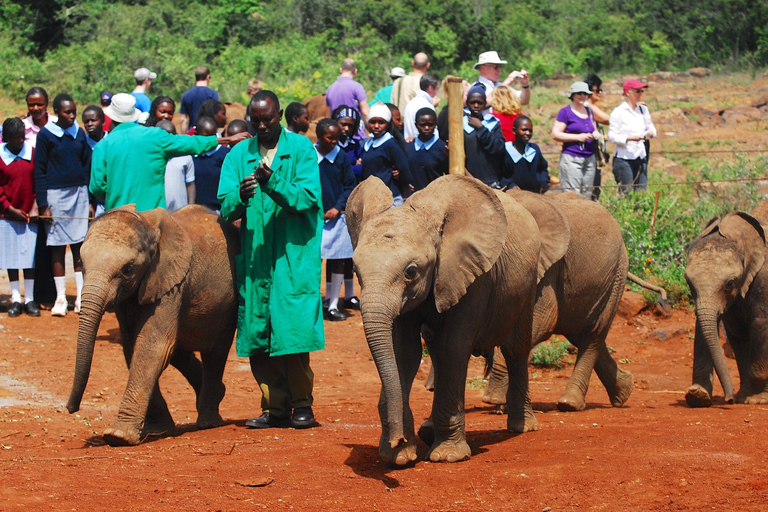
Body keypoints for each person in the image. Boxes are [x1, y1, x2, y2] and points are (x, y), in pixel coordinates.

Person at [217, 90, 324, 430]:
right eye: (256, 120)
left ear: (279, 116)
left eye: (267, 118)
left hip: (293, 255)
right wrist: (240, 195)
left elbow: (307, 199)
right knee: (258, 332)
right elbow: (224, 203)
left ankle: (302, 404)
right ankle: (275, 407)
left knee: (292, 332)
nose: (262, 125)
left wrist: (271, 181)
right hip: (256, 256)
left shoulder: (302, 150)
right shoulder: (239, 155)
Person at [90, 93, 248, 212]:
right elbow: (189, 142)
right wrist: (225, 140)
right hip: (153, 216)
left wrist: (118, 192)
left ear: (110, 116)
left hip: (119, 215)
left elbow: (97, 187)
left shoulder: (102, 146)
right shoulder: (154, 136)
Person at [34, 93, 91, 317]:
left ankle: (79, 297)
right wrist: (43, 204)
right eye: (67, 112)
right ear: (57, 112)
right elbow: (39, 171)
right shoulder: (46, 135)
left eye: (74, 111)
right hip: (55, 195)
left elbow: (86, 165)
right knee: (57, 247)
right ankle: (60, 298)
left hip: (79, 193)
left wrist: (90, 200)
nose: (72, 116)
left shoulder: (79, 133)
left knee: (79, 246)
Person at [315, 118, 356, 321]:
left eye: (336, 138)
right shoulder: (309, 156)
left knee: (338, 259)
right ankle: (314, 302)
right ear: (319, 136)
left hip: (336, 217)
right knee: (315, 260)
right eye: (329, 138)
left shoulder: (341, 157)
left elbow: (349, 185)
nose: (333, 142)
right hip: (313, 217)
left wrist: (337, 207)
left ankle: (332, 304)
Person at [0, 118, 40, 317]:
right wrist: (8, 208)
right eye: (15, 139)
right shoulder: (0, 156)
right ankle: (16, 298)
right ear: (6, 139)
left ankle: (30, 298)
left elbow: (39, 180)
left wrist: (35, 207)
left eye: (21, 137)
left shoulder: (32, 153)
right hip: (7, 216)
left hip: (29, 215)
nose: (19, 141)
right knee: (12, 258)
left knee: (29, 257)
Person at [551, 81, 601, 199]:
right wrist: (578, 137)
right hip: (572, 158)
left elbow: (594, 129)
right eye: (579, 93)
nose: (582, 96)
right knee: (572, 195)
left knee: (587, 193)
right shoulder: (565, 112)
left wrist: (596, 134)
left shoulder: (589, 111)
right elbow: (555, 134)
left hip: (589, 158)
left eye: (585, 93)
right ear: (573, 95)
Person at [608, 79, 657, 194]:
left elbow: (650, 126)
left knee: (641, 192)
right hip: (624, 157)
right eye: (637, 91)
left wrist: (651, 132)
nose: (640, 94)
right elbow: (612, 135)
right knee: (626, 192)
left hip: (640, 155)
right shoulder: (618, 112)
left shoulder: (643, 109)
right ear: (628, 93)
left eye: (641, 91)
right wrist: (629, 138)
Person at [360, 102, 412, 205]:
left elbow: (405, 170)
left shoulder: (391, 145)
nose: (376, 126)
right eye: (373, 122)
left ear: (388, 124)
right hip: (372, 197)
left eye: (381, 122)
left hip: (390, 198)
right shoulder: (368, 144)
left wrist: (399, 178)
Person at [462, 85, 507, 188]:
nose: (476, 105)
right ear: (467, 103)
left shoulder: (493, 123)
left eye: (480, 102)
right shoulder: (461, 124)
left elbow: (498, 148)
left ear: (485, 103)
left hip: (492, 180)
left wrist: (481, 128)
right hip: (469, 180)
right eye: (472, 102)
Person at [501, 115, 549, 193]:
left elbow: (543, 168)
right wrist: (510, 185)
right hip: (513, 196)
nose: (528, 133)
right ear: (514, 131)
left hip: (534, 195)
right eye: (524, 130)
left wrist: (543, 182)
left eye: (530, 130)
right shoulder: (505, 150)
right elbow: (500, 175)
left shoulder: (534, 149)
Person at [325, 58, 369, 140]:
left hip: (337, 136)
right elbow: (365, 112)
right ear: (355, 71)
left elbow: (328, 116)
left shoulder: (330, 88)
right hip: (355, 135)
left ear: (341, 70)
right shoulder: (357, 87)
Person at [156, 120, 195, 212]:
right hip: (157, 212)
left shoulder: (185, 156)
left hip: (180, 213)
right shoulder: (150, 157)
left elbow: (190, 184)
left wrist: (191, 208)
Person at [192, 116, 230, 213]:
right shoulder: (191, 156)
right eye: (206, 138)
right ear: (196, 135)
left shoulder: (224, 155)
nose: (210, 142)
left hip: (218, 211)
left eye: (213, 137)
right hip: (194, 211)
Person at [406, 108, 448, 191]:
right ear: (416, 125)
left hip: (434, 197)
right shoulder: (408, 147)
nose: (427, 128)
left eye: (430, 125)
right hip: (411, 197)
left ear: (436, 124)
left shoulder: (442, 148)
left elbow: (448, 175)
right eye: (422, 125)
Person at [584, 74, 610, 200]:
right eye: (597, 90)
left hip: (592, 153)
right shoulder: (588, 106)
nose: (600, 92)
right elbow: (607, 119)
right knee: (592, 187)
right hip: (589, 153)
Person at [179, 66, 220, 133]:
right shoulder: (212, 94)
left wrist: (185, 137)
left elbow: (183, 120)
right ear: (207, 77)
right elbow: (217, 116)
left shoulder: (186, 95)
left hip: (193, 133)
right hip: (209, 133)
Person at [403, 72, 440, 140]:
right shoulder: (427, 106)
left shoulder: (410, 103)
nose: (438, 91)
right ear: (431, 88)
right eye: (437, 88)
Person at [331, 106, 363, 180]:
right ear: (335, 123)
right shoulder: (328, 143)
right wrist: (354, 167)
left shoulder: (355, 145)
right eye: (343, 124)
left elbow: (361, 170)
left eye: (350, 126)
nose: (347, 129)